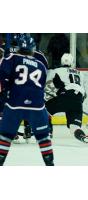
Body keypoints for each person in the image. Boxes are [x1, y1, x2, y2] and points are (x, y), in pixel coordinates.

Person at [0, 36, 54, 166]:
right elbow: (41, 85)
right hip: (37, 105)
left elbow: (3, 78)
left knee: (5, 136)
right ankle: (50, 165)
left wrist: (6, 93)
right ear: (32, 49)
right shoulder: (40, 64)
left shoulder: (11, 58)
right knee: (43, 137)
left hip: (15, 104)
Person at [45, 53, 88, 146]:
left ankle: (48, 132)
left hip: (65, 96)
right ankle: (83, 137)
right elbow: (84, 93)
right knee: (74, 127)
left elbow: (45, 80)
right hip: (78, 100)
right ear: (72, 62)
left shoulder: (56, 70)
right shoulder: (81, 73)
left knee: (44, 110)